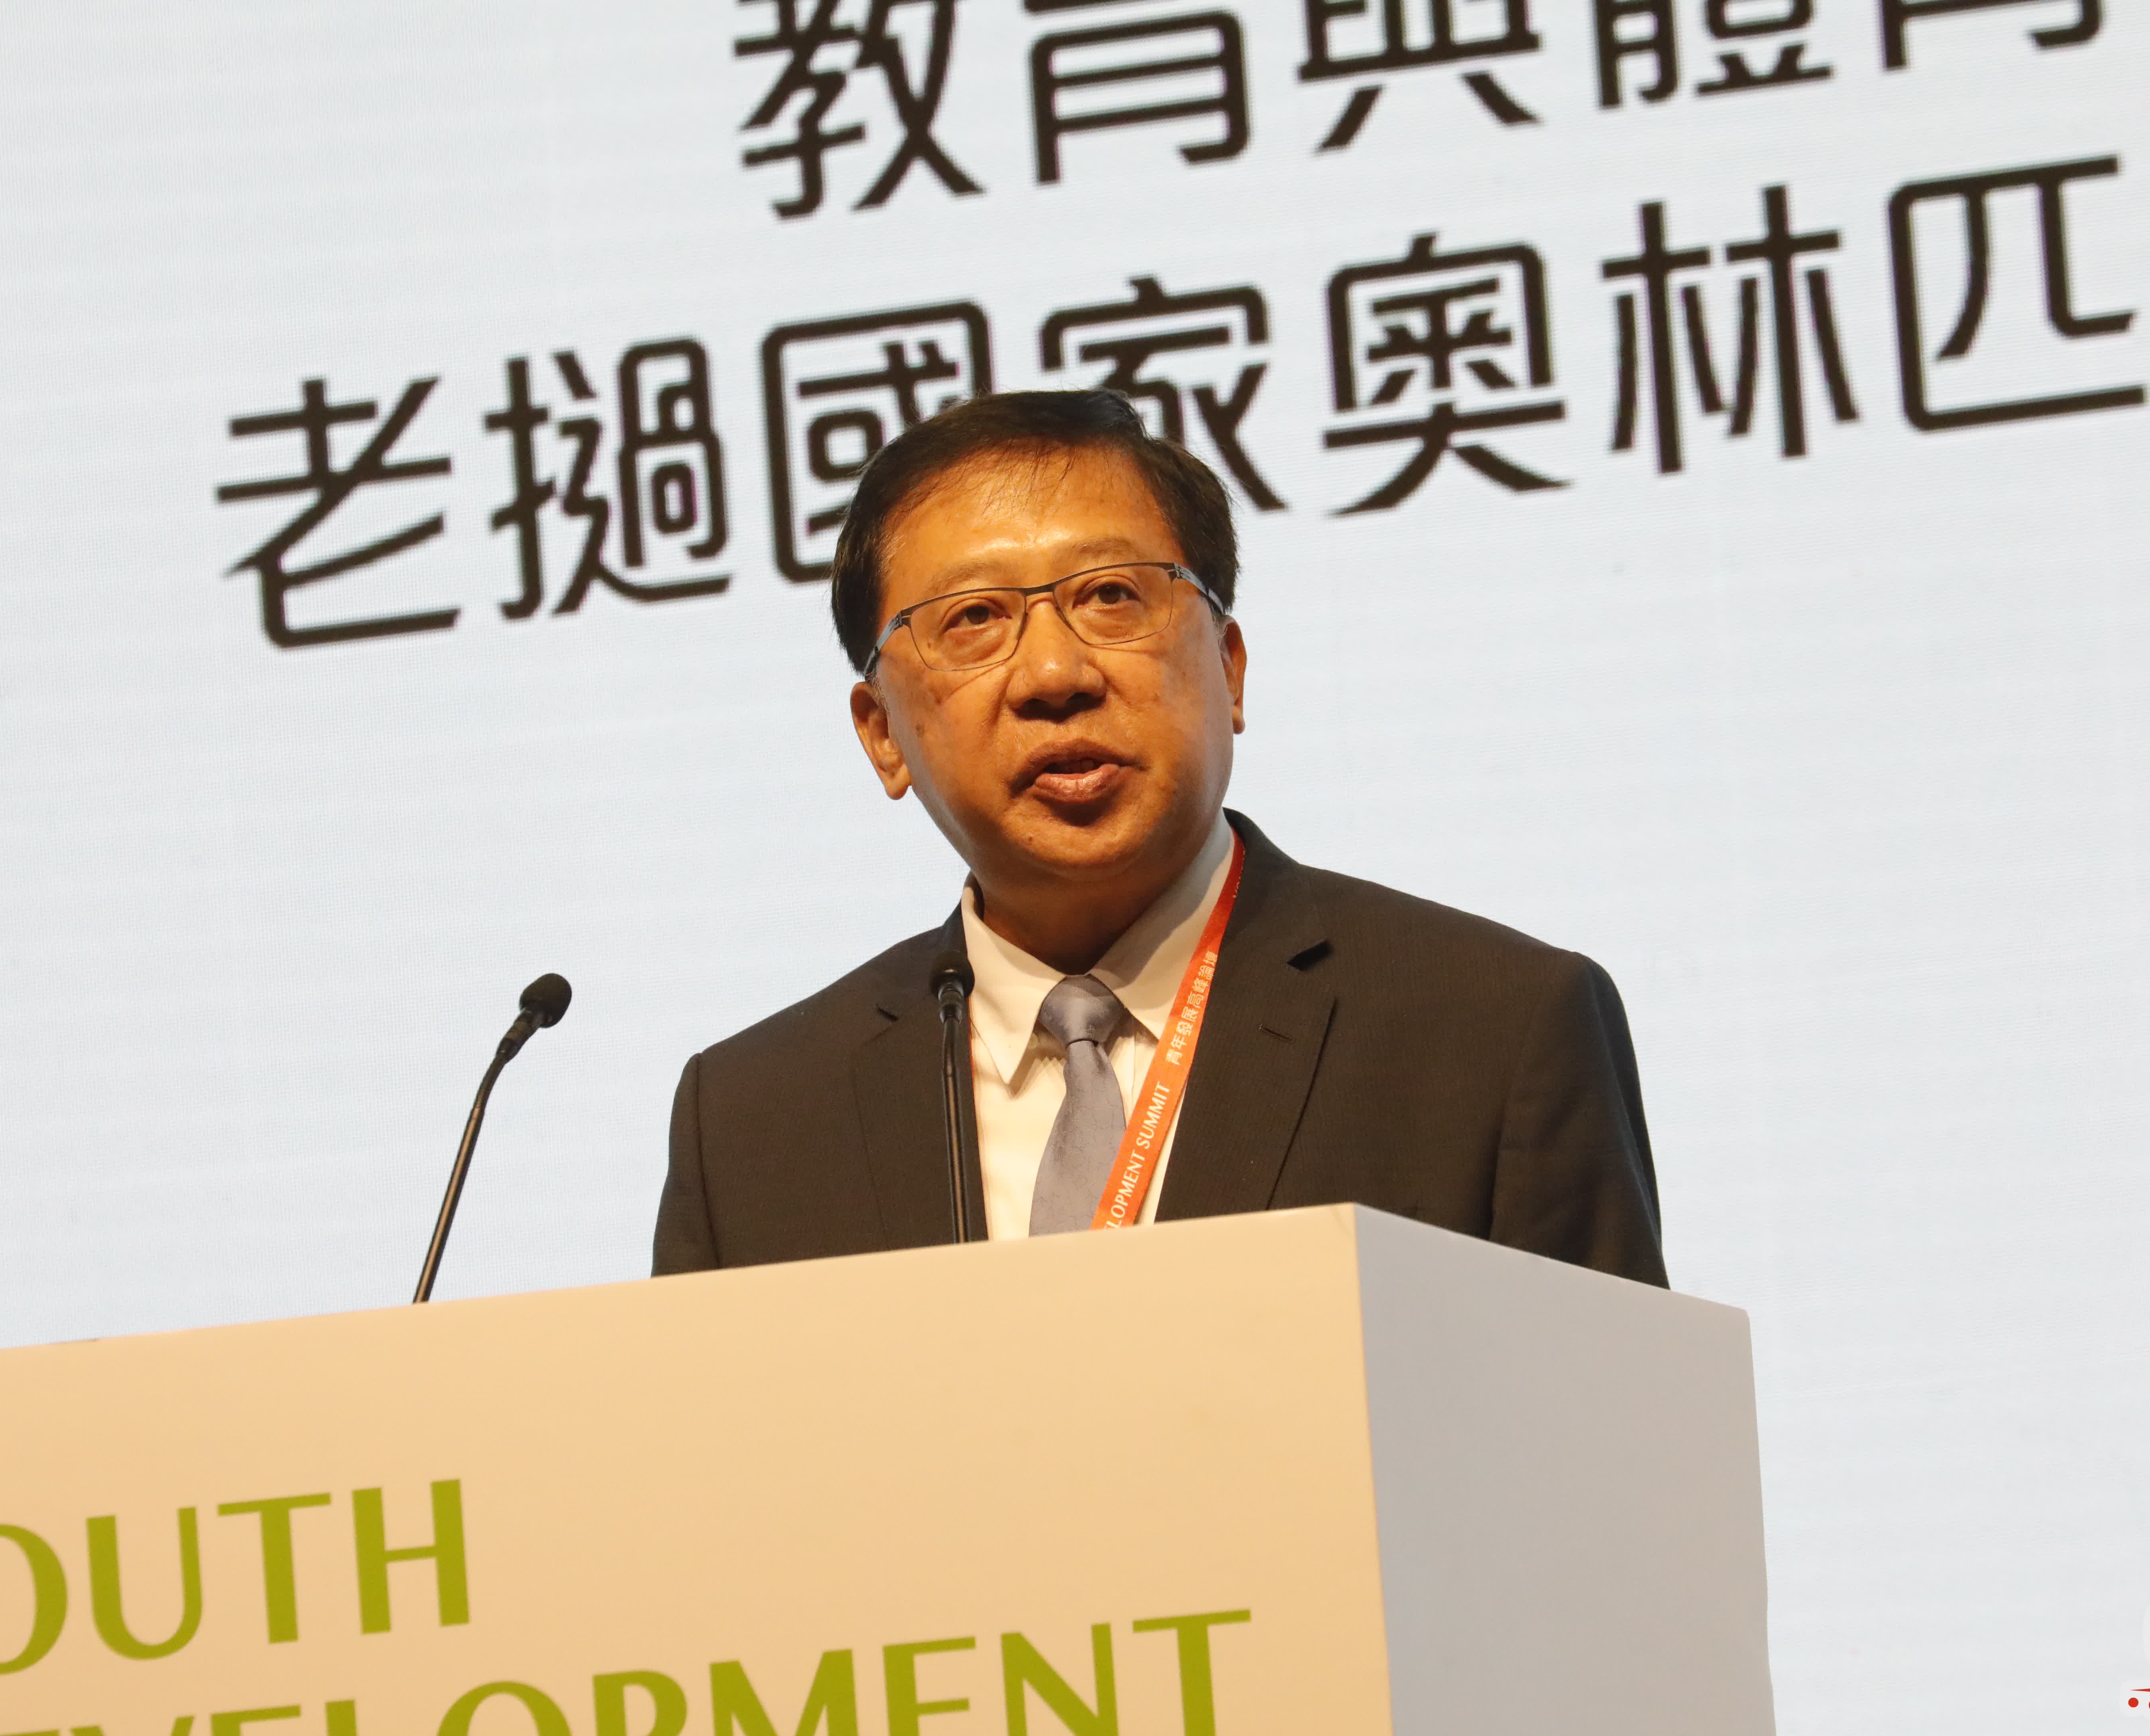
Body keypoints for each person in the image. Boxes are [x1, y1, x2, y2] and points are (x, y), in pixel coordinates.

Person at [652, 390, 1664, 1286]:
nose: (1056, 675)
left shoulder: (1490, 1032)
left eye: (1111, 596)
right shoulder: (754, 1125)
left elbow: (1608, 1431)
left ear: (1230, 667)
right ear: (882, 734)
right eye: (974, 618)